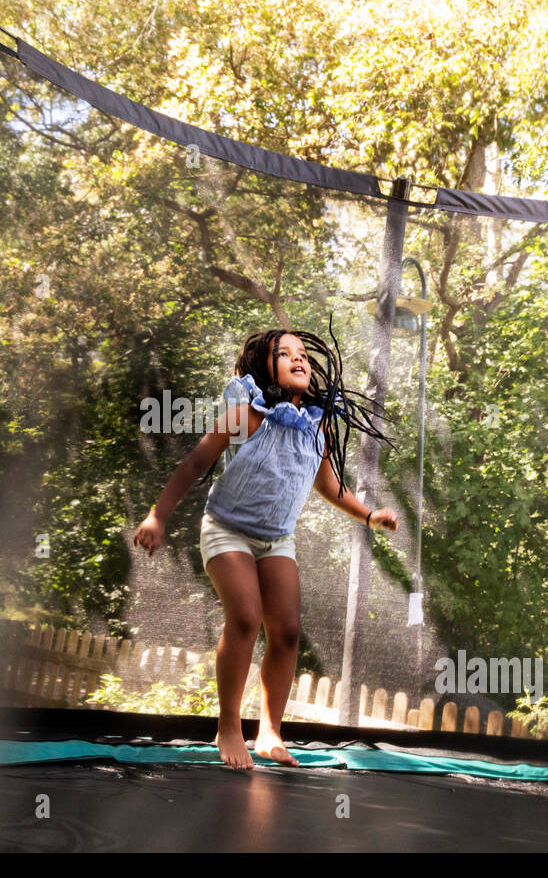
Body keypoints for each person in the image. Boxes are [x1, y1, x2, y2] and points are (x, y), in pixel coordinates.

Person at [131, 324, 399, 769]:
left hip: (276, 538)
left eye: (304, 356)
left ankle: (270, 731)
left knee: (288, 630)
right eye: (286, 354)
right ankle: (229, 727)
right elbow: (196, 462)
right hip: (226, 528)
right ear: (265, 366)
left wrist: (369, 515)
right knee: (245, 617)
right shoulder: (247, 414)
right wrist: (158, 515)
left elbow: (331, 487)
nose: (299, 359)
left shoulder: (318, 428)